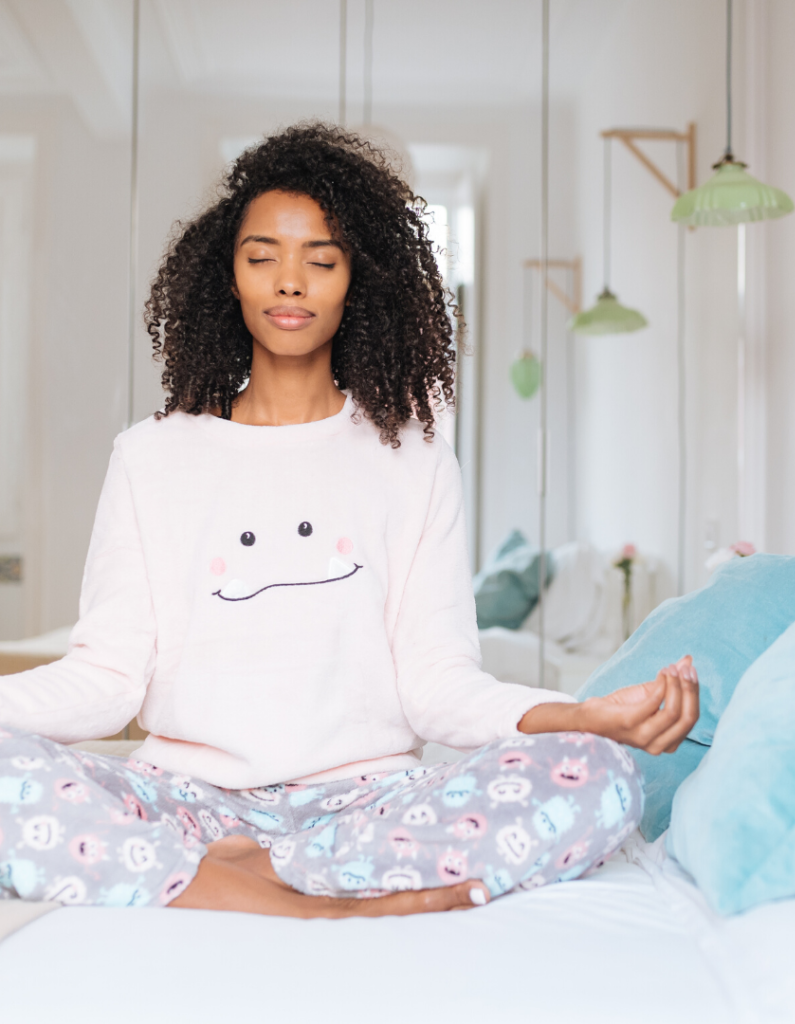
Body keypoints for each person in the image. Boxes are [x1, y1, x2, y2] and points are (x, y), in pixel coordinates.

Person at [0, 124, 699, 919]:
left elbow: (437, 686)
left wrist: (580, 715)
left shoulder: (415, 459)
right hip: (183, 800)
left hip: (366, 806)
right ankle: (303, 892)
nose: (289, 283)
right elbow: (104, 683)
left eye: (321, 262)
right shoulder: (149, 457)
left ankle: (227, 876)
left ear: (355, 281)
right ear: (227, 275)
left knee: (599, 776)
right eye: (262, 257)